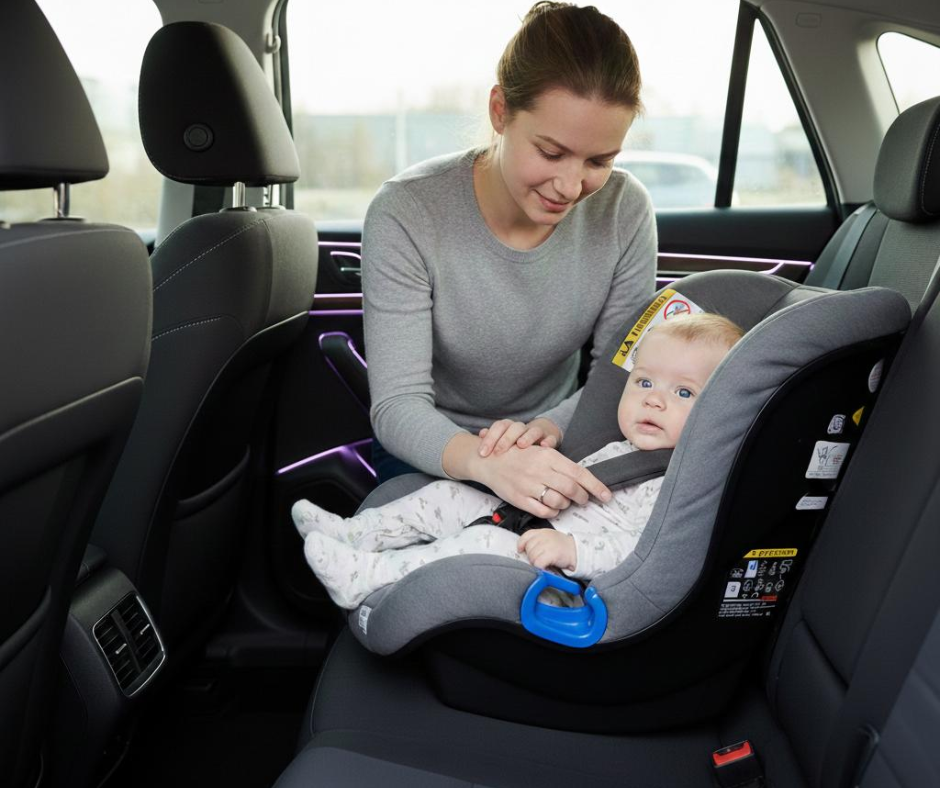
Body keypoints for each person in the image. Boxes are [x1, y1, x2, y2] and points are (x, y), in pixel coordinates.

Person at [363, 2, 657, 516]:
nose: (570, 187)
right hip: (435, 447)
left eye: (599, 161)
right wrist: (489, 462)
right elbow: (398, 406)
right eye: (550, 152)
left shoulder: (625, 211)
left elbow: (619, 373)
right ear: (501, 111)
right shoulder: (407, 212)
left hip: (565, 434)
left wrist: (553, 429)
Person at [296, 314, 744, 609]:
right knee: (445, 493)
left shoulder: (680, 479)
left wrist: (574, 553)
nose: (656, 402)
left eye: (683, 393)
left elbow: (651, 553)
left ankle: (366, 578)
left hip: (566, 582)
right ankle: (357, 535)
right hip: (533, 528)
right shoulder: (621, 446)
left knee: (484, 545)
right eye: (644, 383)